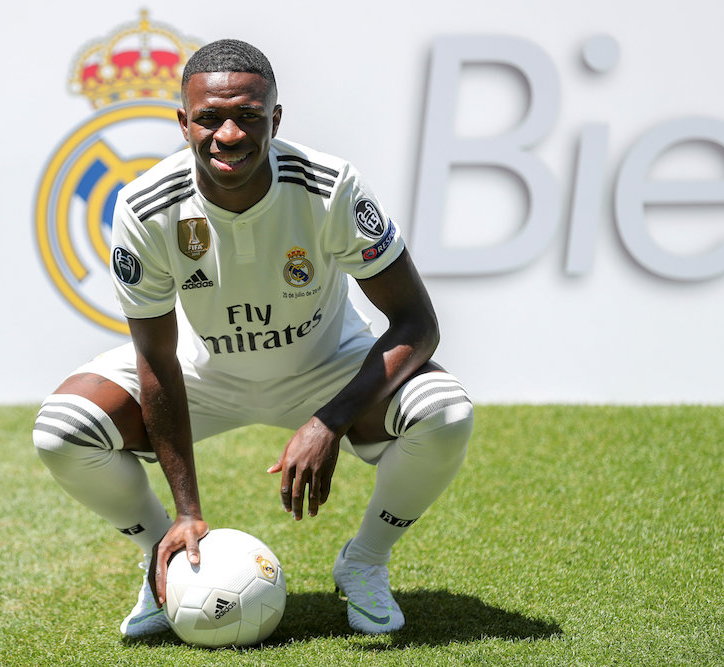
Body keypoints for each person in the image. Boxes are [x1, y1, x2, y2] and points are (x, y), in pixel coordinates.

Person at [32, 38, 474, 637]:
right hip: (202, 373)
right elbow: (157, 357)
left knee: (444, 413)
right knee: (62, 431)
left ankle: (365, 560)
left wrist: (330, 421)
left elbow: (418, 325)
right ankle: (162, 557)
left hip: (326, 370)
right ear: (183, 123)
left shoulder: (329, 186)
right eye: (210, 119)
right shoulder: (146, 205)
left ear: (275, 118)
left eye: (248, 116)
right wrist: (187, 511)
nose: (230, 135)